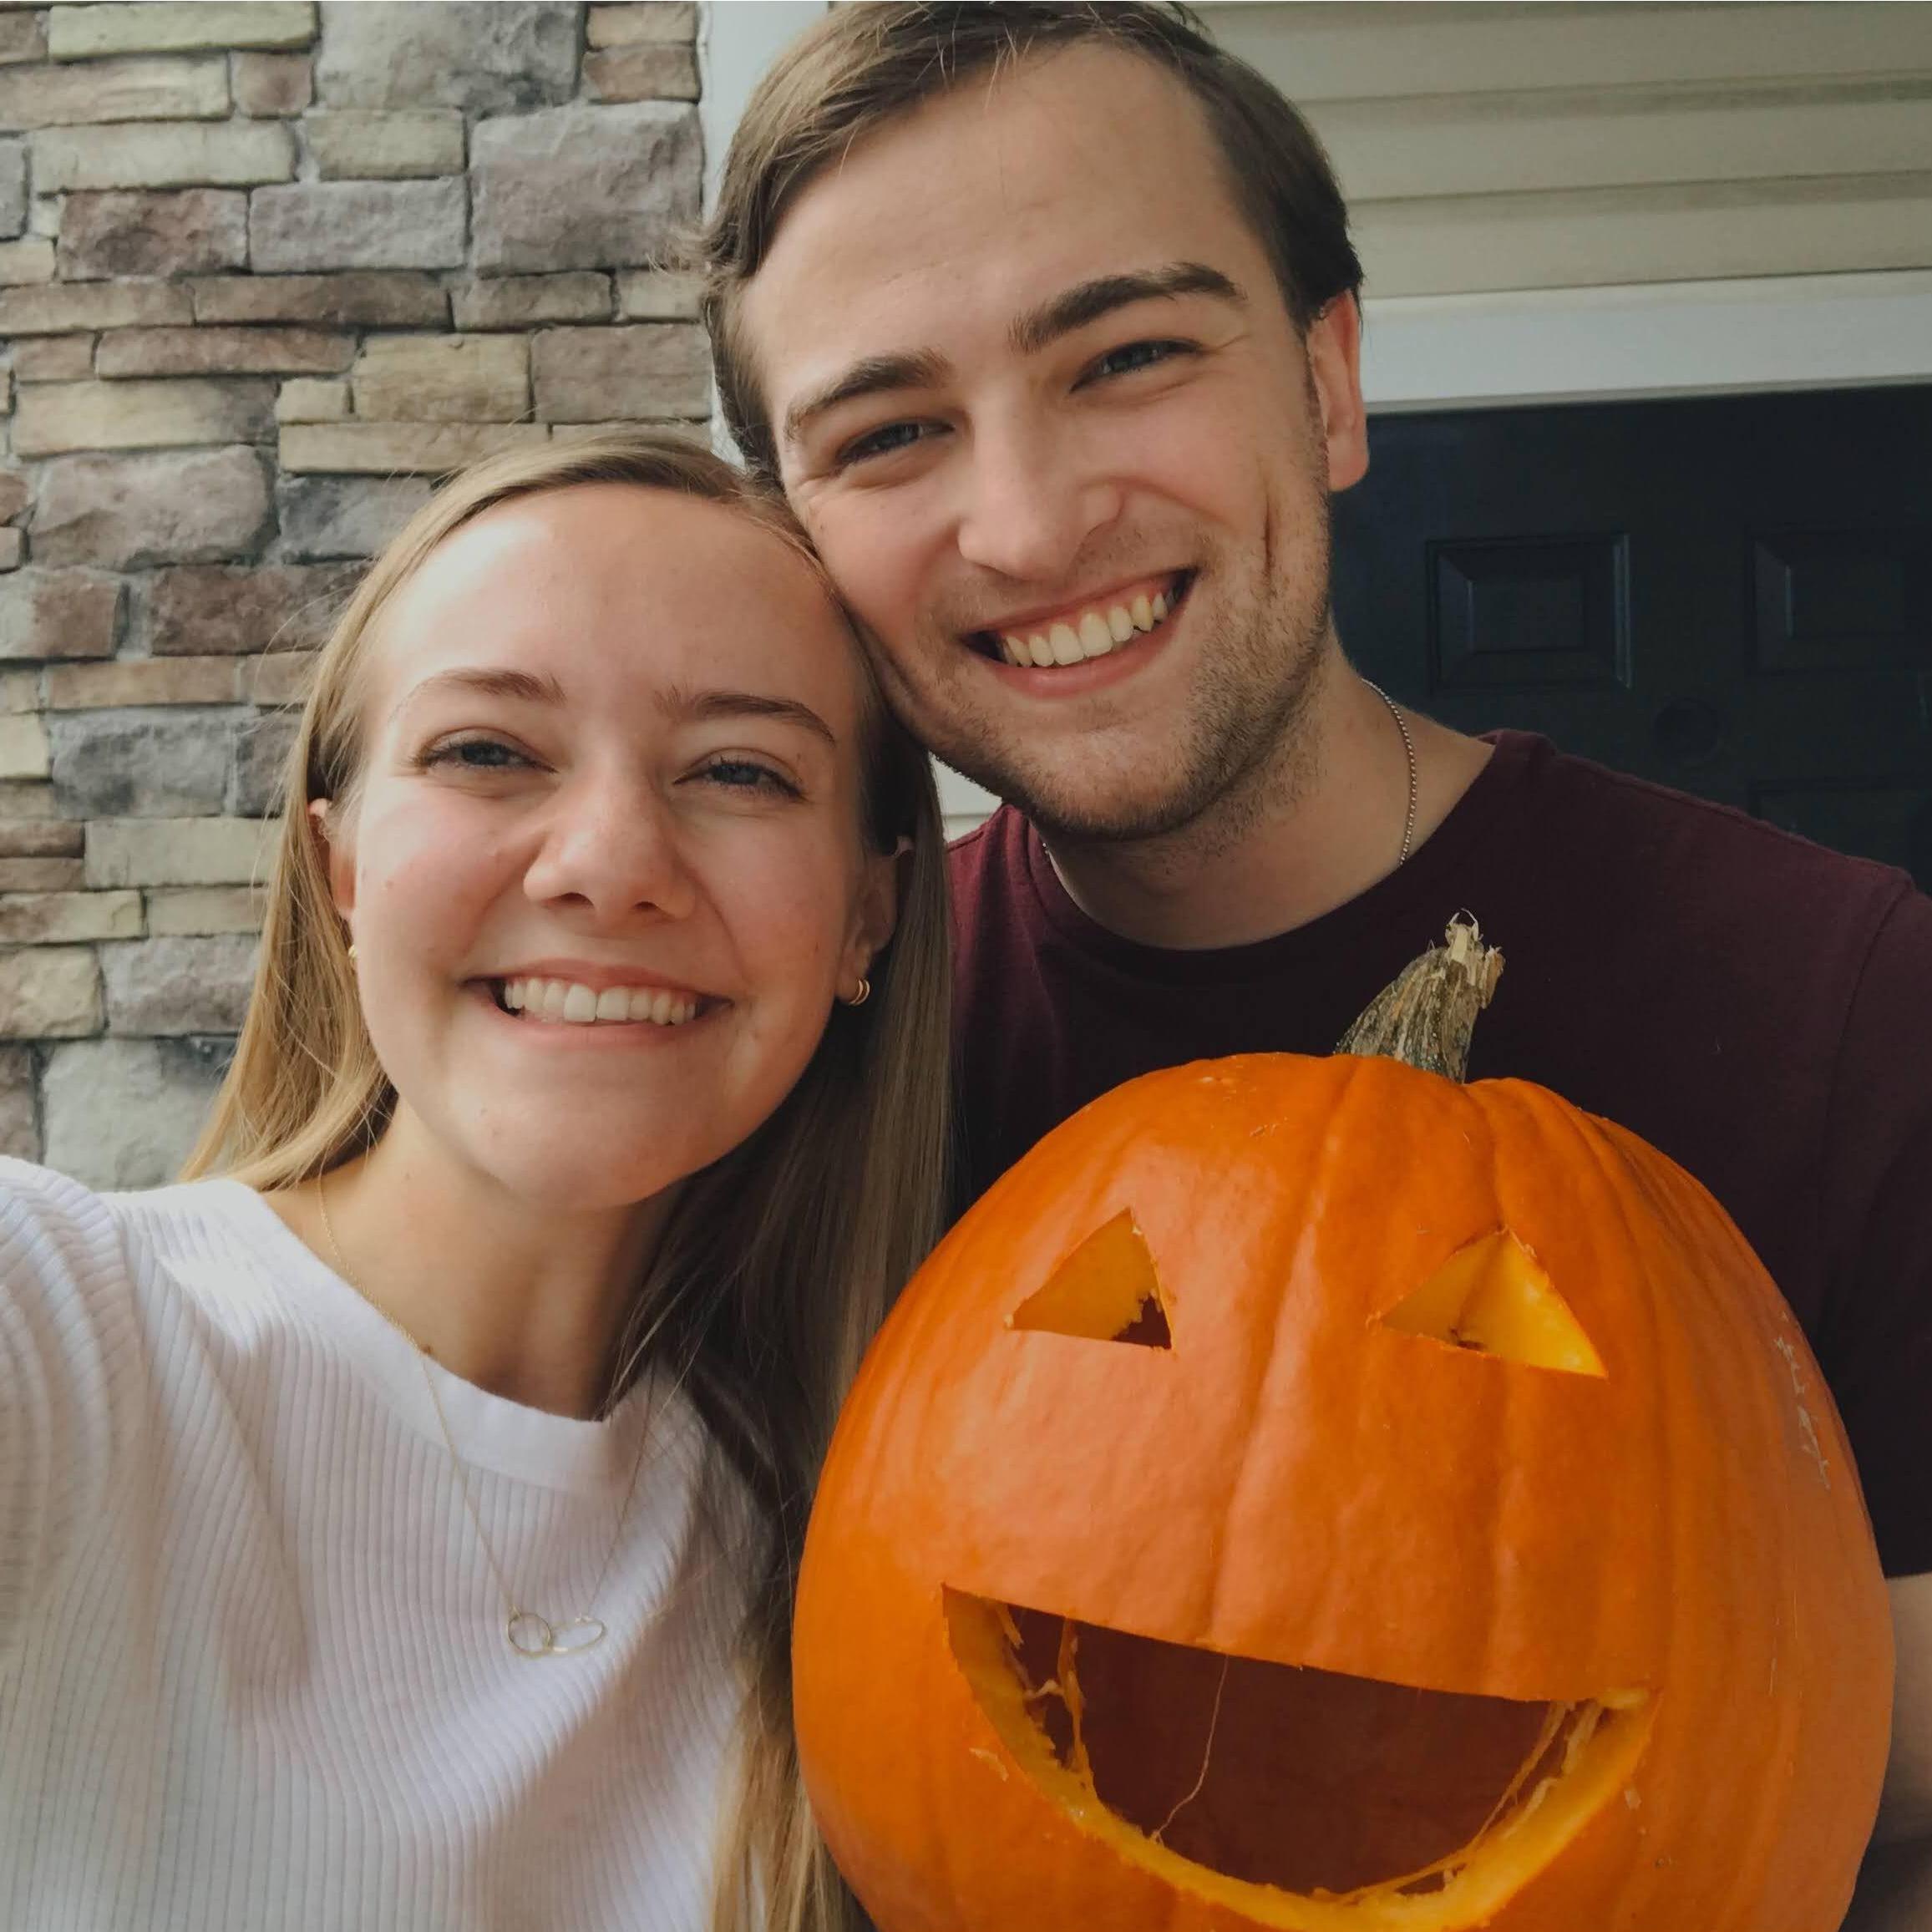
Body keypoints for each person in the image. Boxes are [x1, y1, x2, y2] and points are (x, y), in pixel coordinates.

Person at [696, 3, 1932, 1921]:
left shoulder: (1844, 1005)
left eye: (1124, 356)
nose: (1027, 521)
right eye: (887, 432)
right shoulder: (809, 1064)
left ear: (1328, 382)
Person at [0, 430, 946, 1932]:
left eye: (741, 769)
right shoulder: (58, 1332)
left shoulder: (895, 1564)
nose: (610, 861)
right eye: (488, 751)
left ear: (866, 914)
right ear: (343, 869)